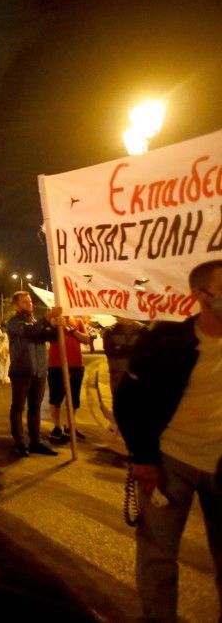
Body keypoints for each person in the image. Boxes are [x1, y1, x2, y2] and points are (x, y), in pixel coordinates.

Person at [114, 260, 222, 622]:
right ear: (201, 295)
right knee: (158, 556)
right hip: (170, 461)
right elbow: (129, 401)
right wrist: (143, 457)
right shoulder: (165, 341)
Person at [6, 290, 62, 457]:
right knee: (18, 407)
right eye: (24, 302)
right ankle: (19, 442)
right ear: (16, 305)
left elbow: (51, 337)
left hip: (39, 372)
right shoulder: (14, 323)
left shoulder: (35, 322)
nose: (29, 304)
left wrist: (56, 326)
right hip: (22, 371)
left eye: (30, 301)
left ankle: (35, 440)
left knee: (35, 407)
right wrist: (47, 318)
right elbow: (31, 332)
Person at [46, 314, 91, 443]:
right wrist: (54, 325)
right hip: (56, 365)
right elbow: (46, 336)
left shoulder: (78, 321)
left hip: (76, 365)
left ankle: (69, 426)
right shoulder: (52, 320)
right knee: (55, 398)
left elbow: (86, 339)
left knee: (73, 399)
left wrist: (73, 329)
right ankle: (56, 427)